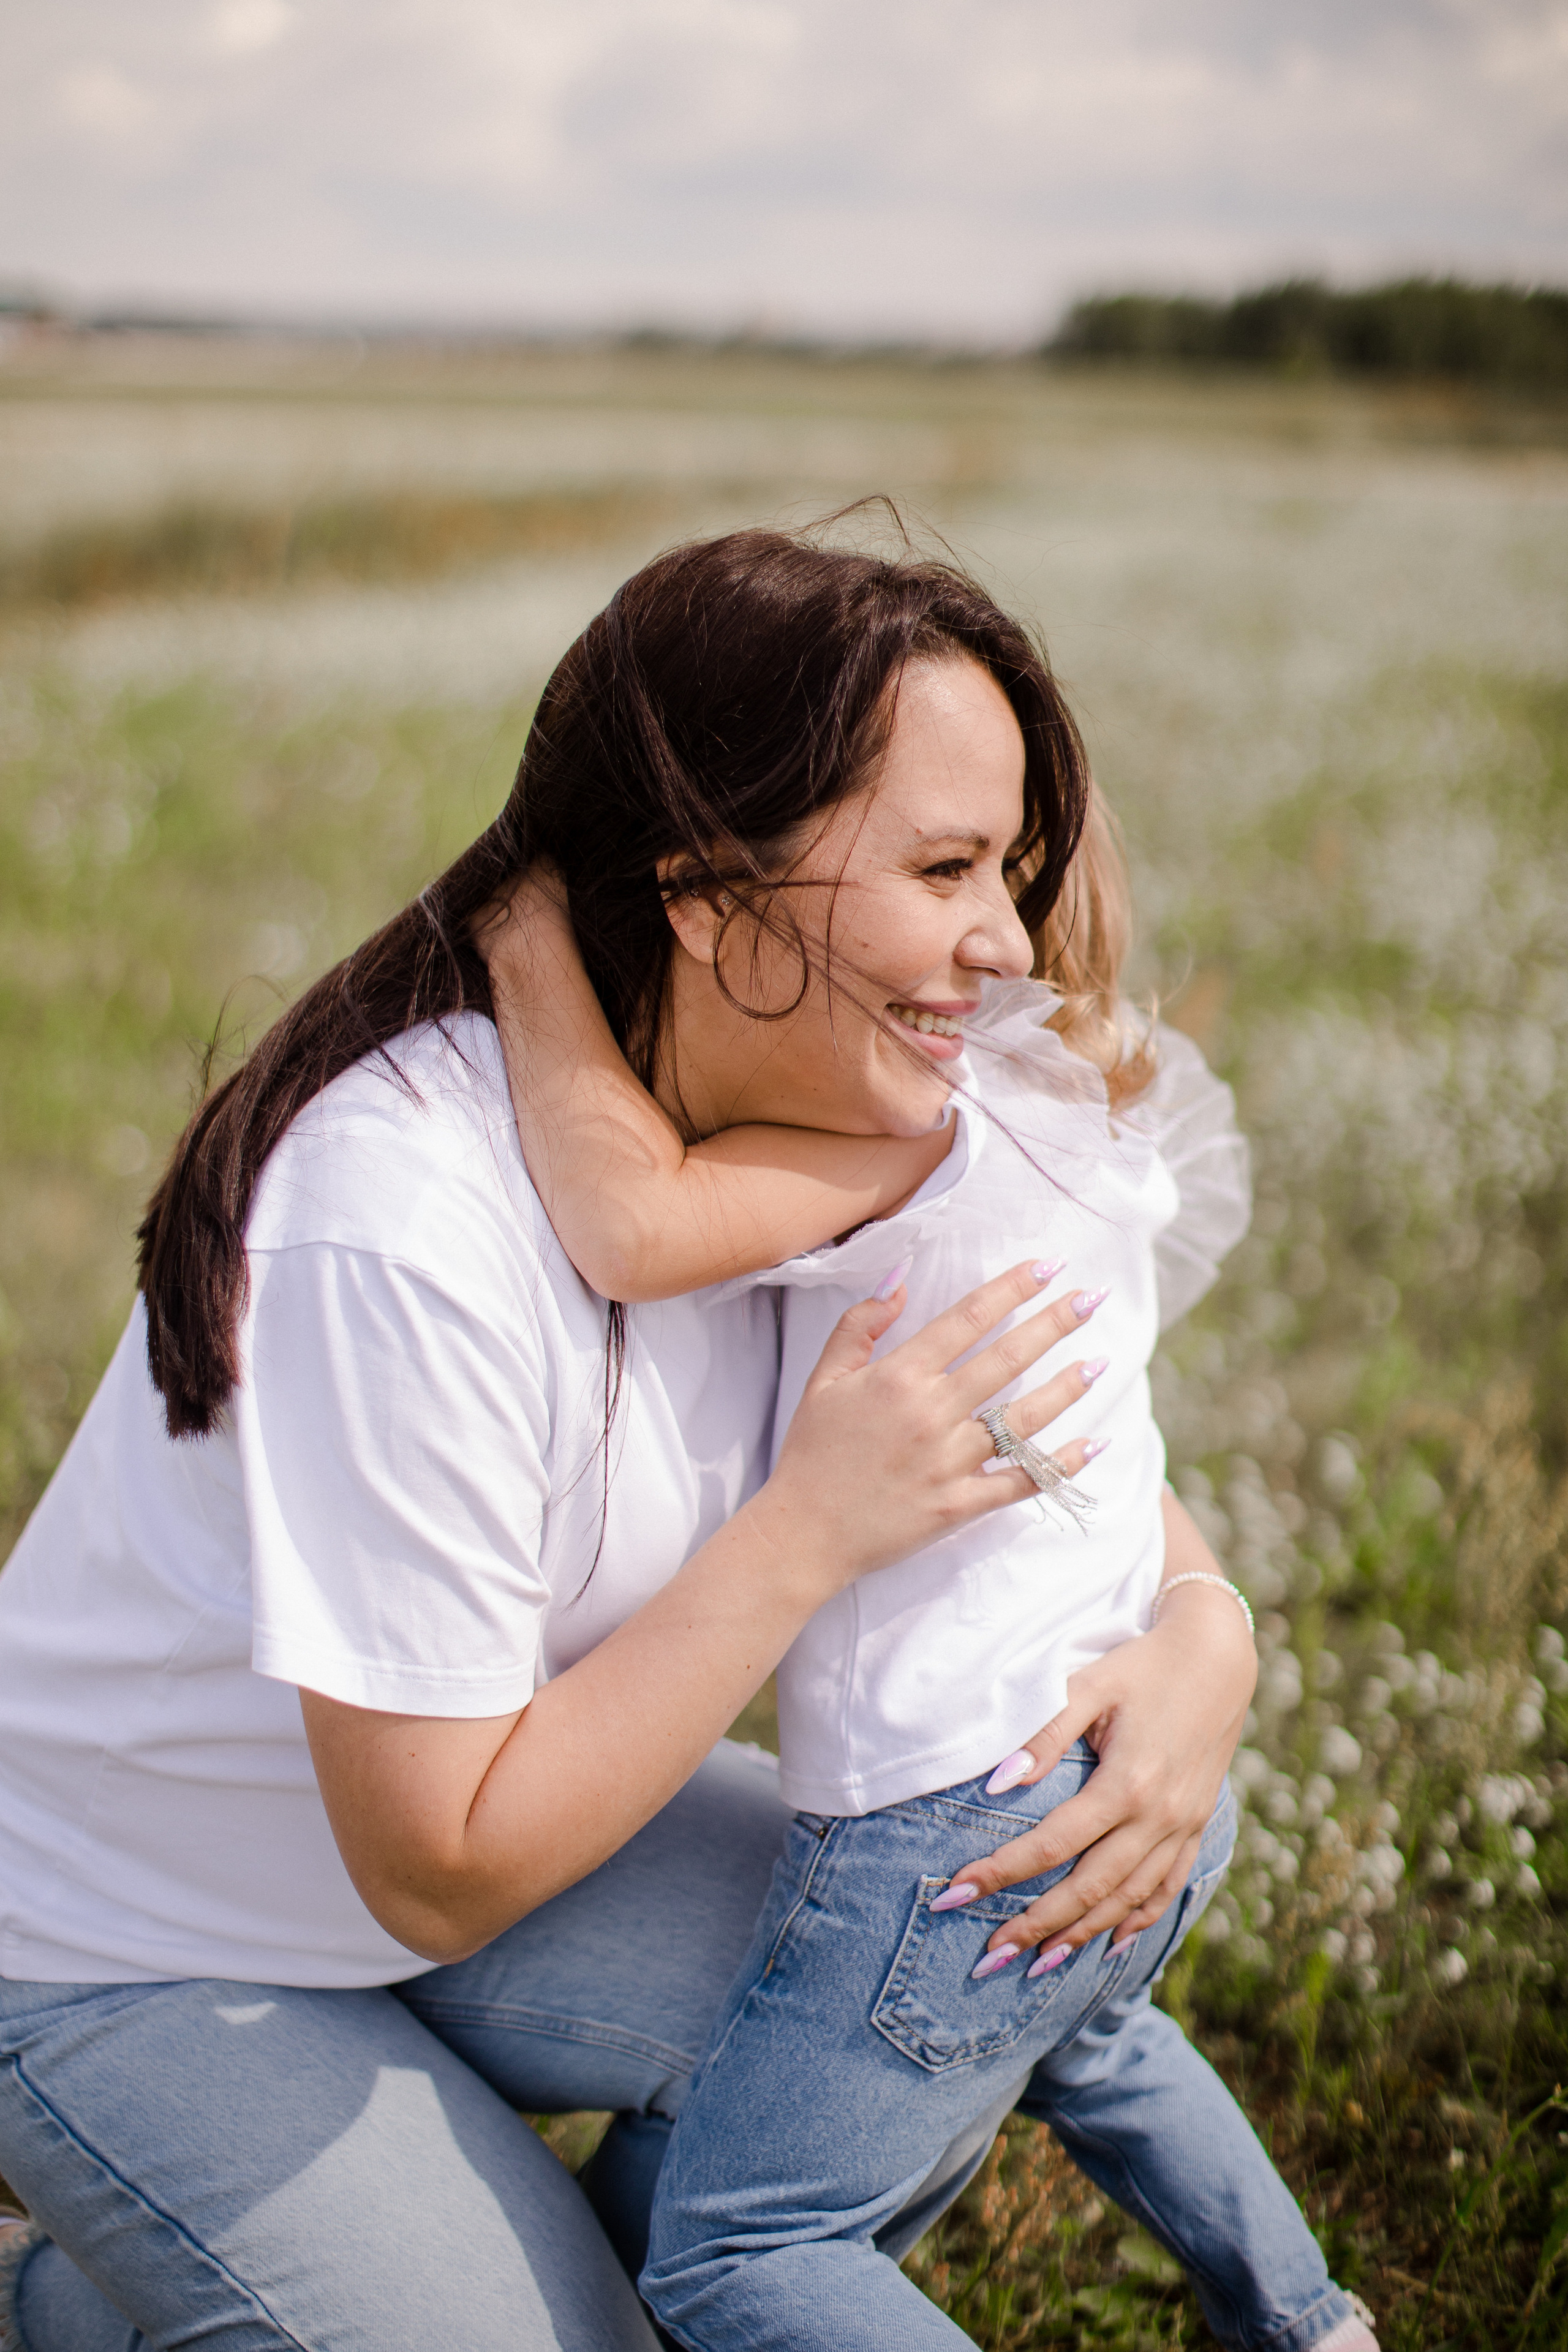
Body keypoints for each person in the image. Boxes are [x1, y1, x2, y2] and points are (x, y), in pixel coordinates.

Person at [0, 529, 1257, 2352]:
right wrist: (804, 1536)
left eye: (1018, 869)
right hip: (136, 1937)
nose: (1005, 943)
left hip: (476, 1863)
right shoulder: (403, 1223)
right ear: (702, 890)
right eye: (943, 868)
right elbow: (432, 1855)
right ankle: (78, 2296)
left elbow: (1059, 1434)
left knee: (940, 1993)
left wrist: (1205, 1633)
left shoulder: (822, 1132)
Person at [481, 663, 1378, 2352]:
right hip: (1127, 1773)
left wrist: (530, 940)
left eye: (982, 874)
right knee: (1096, 2041)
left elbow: (629, 1221)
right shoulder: (1104, 1120)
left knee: (738, 2256)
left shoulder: (919, 1125)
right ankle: (1312, 2322)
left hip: (949, 1824)